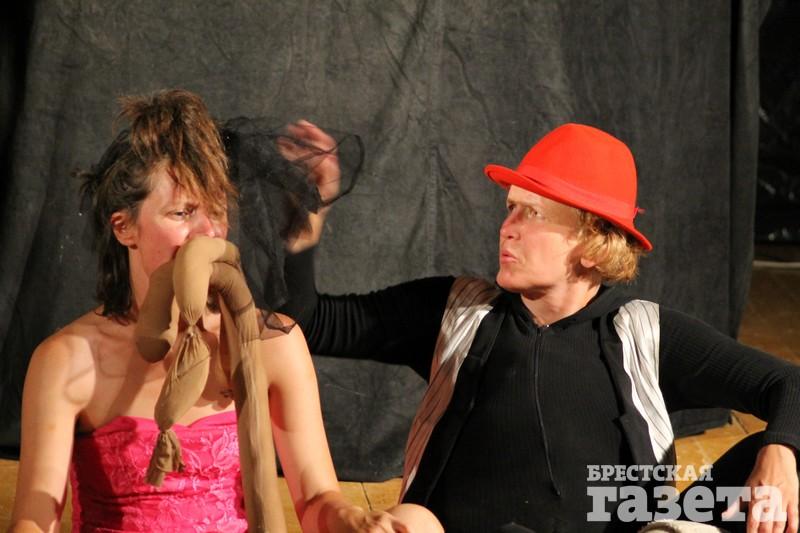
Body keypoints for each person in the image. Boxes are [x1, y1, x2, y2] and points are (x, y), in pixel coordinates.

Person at [282, 123, 800, 532]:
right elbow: (309, 321)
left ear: (593, 242)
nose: (507, 227)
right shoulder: (459, 311)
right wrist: (308, 218)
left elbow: (788, 383)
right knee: (410, 524)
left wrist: (778, 452)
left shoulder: (643, 333)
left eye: (532, 213)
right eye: (511, 208)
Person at [9, 89, 431, 533]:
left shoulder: (273, 343)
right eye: (181, 213)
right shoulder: (67, 358)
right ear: (125, 227)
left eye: (216, 210)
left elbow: (316, 499)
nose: (208, 232)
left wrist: (355, 520)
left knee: (417, 522)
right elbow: (34, 521)